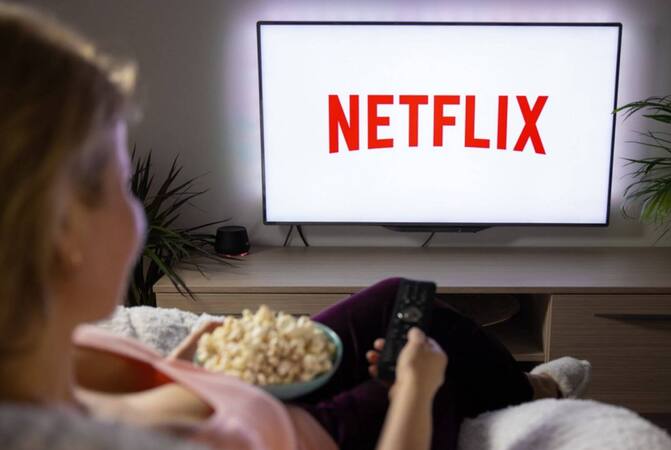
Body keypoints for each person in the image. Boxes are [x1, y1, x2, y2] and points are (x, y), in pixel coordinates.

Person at [0, 5, 590, 450]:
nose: (139, 213)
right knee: (436, 376)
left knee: (397, 297)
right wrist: (415, 390)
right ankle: (533, 393)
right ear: (63, 232)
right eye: (122, 185)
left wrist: (192, 361)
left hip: (250, 398)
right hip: (312, 431)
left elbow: (144, 406)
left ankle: (526, 386)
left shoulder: (45, 353)